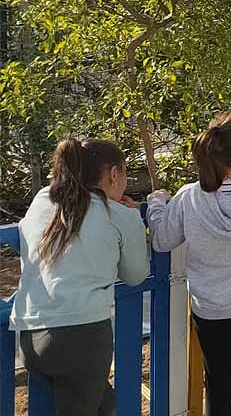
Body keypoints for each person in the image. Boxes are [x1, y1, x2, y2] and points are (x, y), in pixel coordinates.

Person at [148, 111, 231, 416]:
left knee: (218, 379)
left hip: (210, 308)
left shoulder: (188, 198)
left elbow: (162, 241)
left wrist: (156, 204)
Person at [11, 139, 149, 415]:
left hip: (29, 336)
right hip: (81, 340)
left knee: (104, 405)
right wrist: (133, 221)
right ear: (113, 174)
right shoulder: (121, 216)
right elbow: (136, 276)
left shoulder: (42, 199)